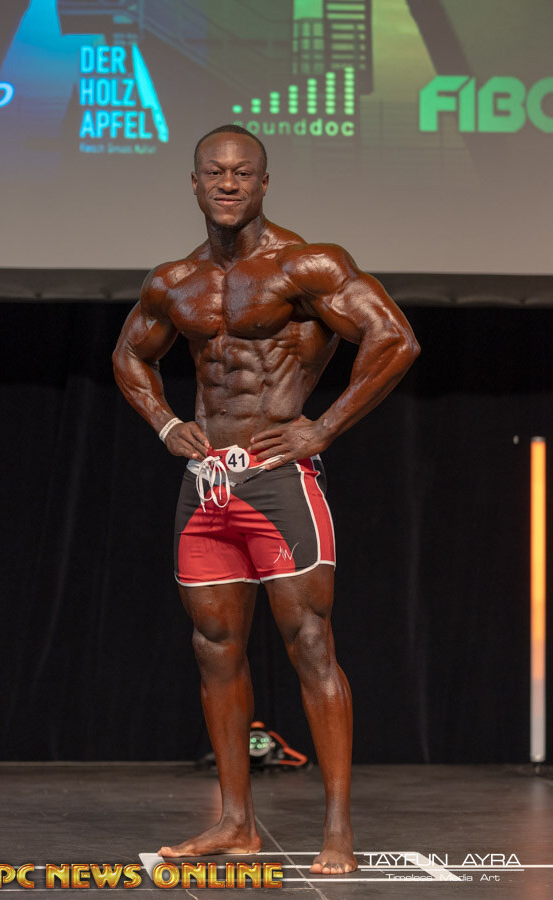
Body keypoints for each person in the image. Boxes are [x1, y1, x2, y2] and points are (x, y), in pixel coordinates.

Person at [113, 124, 420, 875]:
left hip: (280, 478)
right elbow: (128, 356)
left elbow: (394, 339)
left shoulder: (307, 264)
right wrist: (167, 424)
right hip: (206, 485)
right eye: (214, 172)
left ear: (263, 182)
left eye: (242, 172)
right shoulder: (174, 281)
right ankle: (234, 823)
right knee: (214, 649)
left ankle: (338, 829)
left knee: (310, 643)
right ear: (194, 183)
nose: (228, 183)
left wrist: (324, 427)